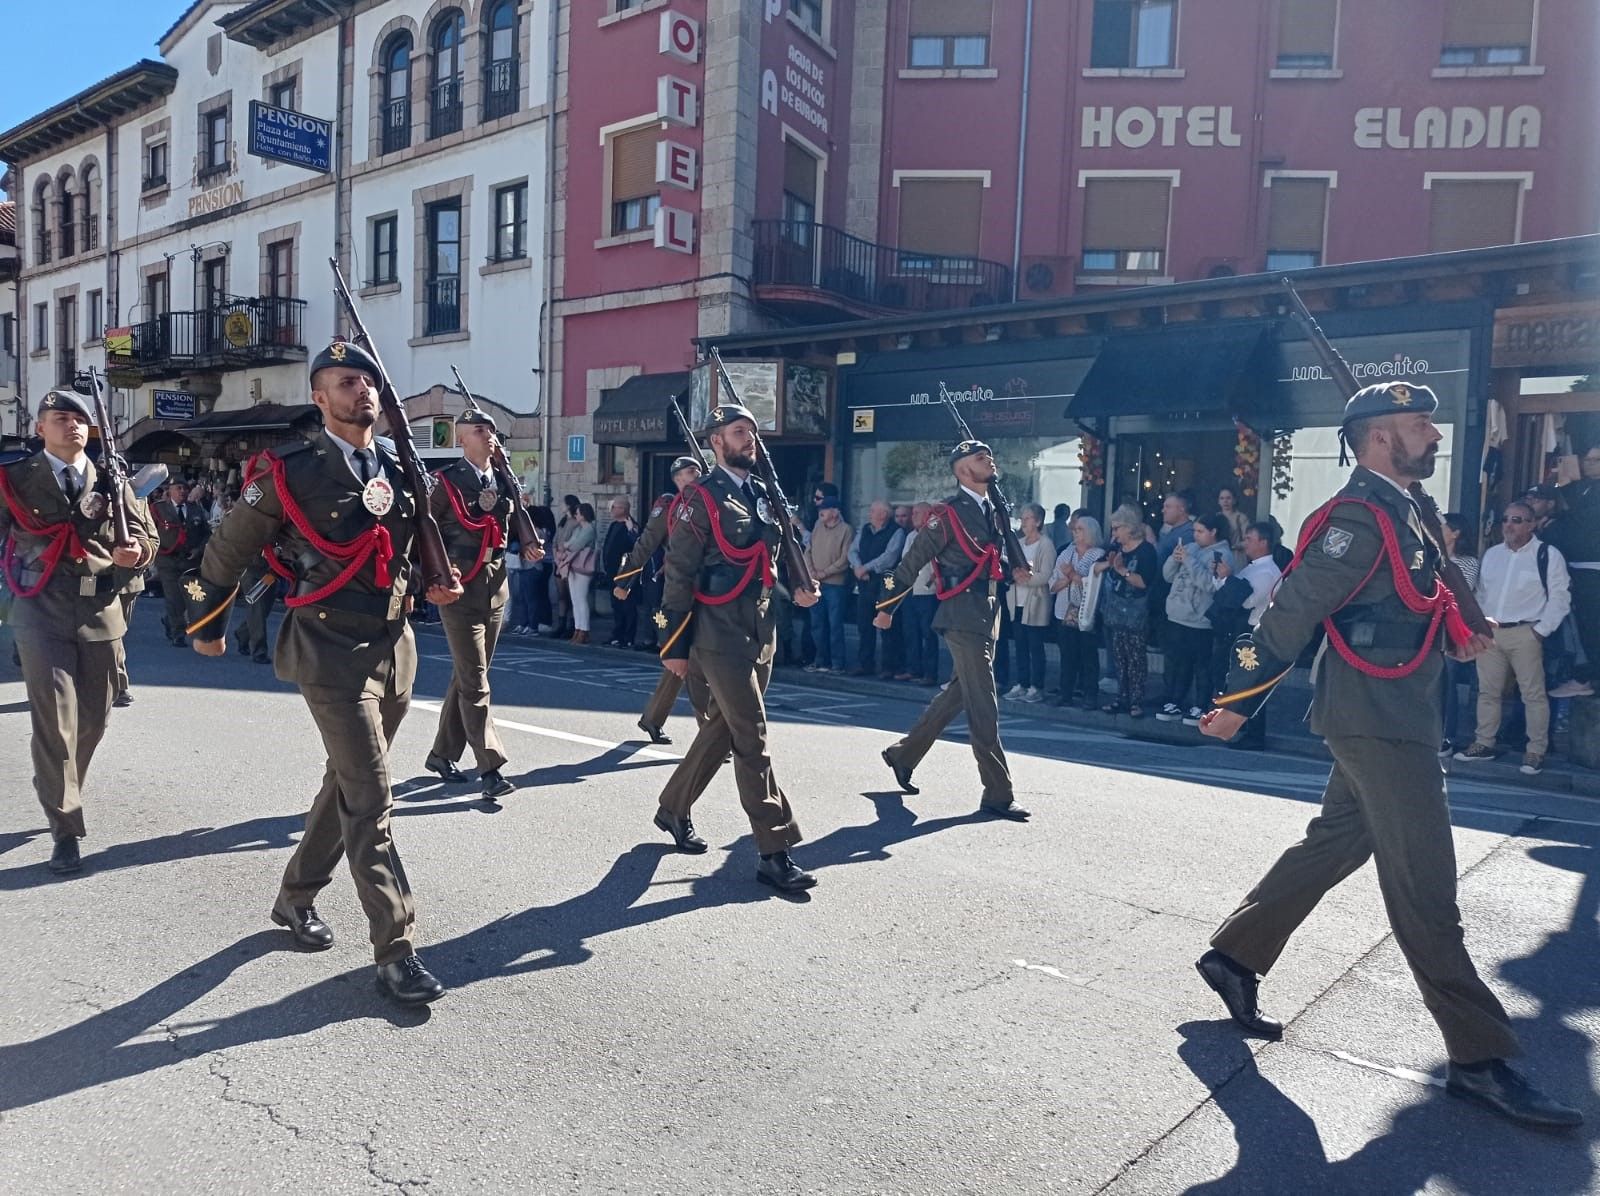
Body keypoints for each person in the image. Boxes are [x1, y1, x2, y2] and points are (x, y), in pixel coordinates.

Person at [1197, 380, 1581, 1130]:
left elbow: (1398, 609)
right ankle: (1479, 1057)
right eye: (1418, 425)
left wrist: (1457, 631)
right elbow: (1288, 613)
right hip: (1375, 720)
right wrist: (1235, 701)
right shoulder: (1358, 518)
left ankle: (1234, 956)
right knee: (1428, 888)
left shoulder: (1404, 512)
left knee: (1336, 842)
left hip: (1395, 711)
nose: (1434, 437)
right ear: (1378, 437)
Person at [186, 340, 463, 1006]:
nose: (361, 391)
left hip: (395, 644)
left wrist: (439, 573)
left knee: (344, 785)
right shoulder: (290, 469)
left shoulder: (401, 463)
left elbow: (426, 536)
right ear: (320, 397)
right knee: (370, 795)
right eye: (345, 382)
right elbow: (225, 547)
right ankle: (396, 948)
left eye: (368, 381)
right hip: (329, 645)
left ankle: (294, 897)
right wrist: (204, 622)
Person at [650, 402, 820, 892]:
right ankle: (775, 848)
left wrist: (800, 583)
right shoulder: (699, 498)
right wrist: (673, 643)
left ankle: (673, 807)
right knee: (752, 735)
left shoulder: (765, 492)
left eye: (752, 431)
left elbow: (780, 546)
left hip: (761, 625)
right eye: (739, 431)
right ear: (715, 442)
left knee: (723, 730)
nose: (750, 438)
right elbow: (678, 573)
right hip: (716, 630)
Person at [0, 390, 158, 874]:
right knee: (55, 721)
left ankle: (59, 783)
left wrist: (138, 555)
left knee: (92, 720)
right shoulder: (14, 480)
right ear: (39, 428)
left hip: (101, 609)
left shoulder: (112, 480)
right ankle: (65, 827)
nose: (72, 426)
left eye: (80, 420)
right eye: (60, 418)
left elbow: (146, 534)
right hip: (40, 609)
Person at [873, 440, 1032, 822]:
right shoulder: (946, 514)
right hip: (961, 614)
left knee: (961, 693)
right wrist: (885, 608)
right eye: (980, 458)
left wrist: (1016, 566)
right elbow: (910, 563)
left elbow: (995, 555)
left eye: (990, 455)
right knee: (984, 703)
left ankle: (903, 754)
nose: (990, 460)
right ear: (962, 470)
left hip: (988, 610)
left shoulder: (993, 508)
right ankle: (997, 792)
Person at [424, 409, 541, 800]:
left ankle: (442, 754)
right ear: (461, 440)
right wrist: (437, 575)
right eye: (479, 430)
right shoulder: (446, 483)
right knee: (476, 681)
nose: (488, 435)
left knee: (467, 675)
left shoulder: (503, 478)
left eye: (491, 429)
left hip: (495, 587)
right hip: (460, 588)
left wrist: (527, 541)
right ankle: (490, 766)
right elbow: (424, 530)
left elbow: (512, 522)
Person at [1454, 501, 1571, 775]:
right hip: (1491, 632)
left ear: (1532, 524)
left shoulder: (1547, 554)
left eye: (1517, 519)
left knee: (1533, 694)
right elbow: (1481, 594)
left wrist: (1540, 631)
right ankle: (1484, 743)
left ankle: (1535, 751)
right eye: (1505, 519)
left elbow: (1560, 597)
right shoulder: (1493, 554)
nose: (1509, 524)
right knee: (1487, 692)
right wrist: (1478, 626)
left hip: (1526, 632)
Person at [612, 455, 710, 744]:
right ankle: (710, 732)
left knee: (683, 659)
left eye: (694, 473)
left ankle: (654, 719)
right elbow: (645, 543)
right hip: (673, 595)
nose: (691, 478)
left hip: (710, 591)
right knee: (687, 657)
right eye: (685, 475)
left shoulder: (710, 501)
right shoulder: (670, 506)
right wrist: (624, 580)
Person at [1158, 513, 1232, 725]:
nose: (1196, 536)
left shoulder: (1222, 554)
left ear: (1213, 532)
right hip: (1176, 615)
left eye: (1200, 531)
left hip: (1199, 620)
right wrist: (1175, 558)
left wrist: (1189, 561)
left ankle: (1200, 704)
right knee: (1177, 663)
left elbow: (1210, 584)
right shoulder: (1190, 548)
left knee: (1201, 665)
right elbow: (1167, 575)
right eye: (1195, 531)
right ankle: (1175, 701)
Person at [1095, 505, 1158, 718]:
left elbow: (1143, 582)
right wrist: (1109, 563)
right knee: (1119, 657)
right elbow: (1096, 567)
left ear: (1129, 527)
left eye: (1117, 528)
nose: (1114, 533)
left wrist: (1122, 570)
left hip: (1136, 611)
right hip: (1115, 609)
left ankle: (1136, 700)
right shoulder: (1116, 548)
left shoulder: (1146, 550)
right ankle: (1122, 697)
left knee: (1136, 658)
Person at [1547, 444, 1600, 697]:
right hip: (1579, 567)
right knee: (1582, 626)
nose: (1589, 464)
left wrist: (1566, 486)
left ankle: (1589, 679)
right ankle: (1584, 677)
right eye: (1587, 460)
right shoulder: (1588, 487)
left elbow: (1585, 518)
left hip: (1594, 568)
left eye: (1595, 460)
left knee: (1592, 626)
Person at [1001, 503, 1056, 703]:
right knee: (1020, 645)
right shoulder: (1019, 543)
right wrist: (1013, 576)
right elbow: (1010, 568)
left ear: (1038, 521)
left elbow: (1046, 574)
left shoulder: (1045, 545)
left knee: (1035, 646)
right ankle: (1022, 683)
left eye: (1027, 518)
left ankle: (1036, 686)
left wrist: (1026, 579)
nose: (1023, 522)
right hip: (1017, 601)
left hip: (1035, 603)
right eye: (1022, 518)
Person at [1051, 513, 1106, 708]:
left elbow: (1091, 582)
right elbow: (1054, 580)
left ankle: (1090, 693)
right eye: (1075, 529)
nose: (1075, 532)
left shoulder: (1098, 554)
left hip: (1087, 610)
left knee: (1088, 654)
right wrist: (1068, 579)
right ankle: (1065, 692)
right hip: (1063, 609)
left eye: (1080, 529)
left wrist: (1072, 575)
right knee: (1067, 654)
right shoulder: (1067, 552)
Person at [1438, 513, 1481, 754]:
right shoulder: (1429, 556)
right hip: (1427, 623)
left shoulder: (1467, 562)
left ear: (1456, 533)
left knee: (1447, 681)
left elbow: (1458, 592)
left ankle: (1446, 735)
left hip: (1451, 626)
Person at [151, 478, 212, 646]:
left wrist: (198, 550)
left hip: (189, 560)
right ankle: (178, 633)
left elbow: (206, 533)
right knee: (173, 597)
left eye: (185, 488)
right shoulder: (158, 509)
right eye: (178, 488)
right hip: (168, 559)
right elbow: (149, 531)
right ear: (169, 491)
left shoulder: (195, 509)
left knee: (188, 598)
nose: (182, 491)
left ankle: (170, 620)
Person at [850, 499, 905, 678]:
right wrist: (858, 568)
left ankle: (889, 667)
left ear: (883, 515)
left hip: (885, 584)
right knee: (864, 625)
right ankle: (865, 664)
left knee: (887, 625)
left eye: (873, 511)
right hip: (864, 583)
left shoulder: (896, 532)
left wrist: (866, 568)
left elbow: (889, 557)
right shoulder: (865, 529)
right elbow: (852, 551)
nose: (869, 514)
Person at [803, 496, 851, 673]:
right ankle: (820, 660)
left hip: (835, 585)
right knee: (817, 624)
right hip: (815, 583)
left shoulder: (846, 530)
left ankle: (837, 663)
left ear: (835, 511)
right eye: (820, 509)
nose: (820, 511)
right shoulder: (817, 527)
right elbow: (808, 551)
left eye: (825, 508)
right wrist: (811, 571)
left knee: (835, 624)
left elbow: (845, 559)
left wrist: (825, 572)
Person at [895, 501, 941, 685]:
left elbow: (938, 561)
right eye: (912, 513)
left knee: (928, 633)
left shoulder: (934, 534)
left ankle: (930, 674)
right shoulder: (911, 536)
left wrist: (932, 580)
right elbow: (905, 559)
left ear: (927, 515)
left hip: (926, 592)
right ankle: (913, 669)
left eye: (916, 513)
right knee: (910, 631)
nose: (912, 516)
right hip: (909, 590)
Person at [556, 502, 597, 643]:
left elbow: (576, 544)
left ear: (584, 515)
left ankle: (584, 630)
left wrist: (566, 546)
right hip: (573, 564)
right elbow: (572, 541)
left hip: (583, 565)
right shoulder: (579, 529)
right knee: (575, 599)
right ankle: (577, 628)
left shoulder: (589, 529)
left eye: (578, 513)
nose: (576, 515)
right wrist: (567, 545)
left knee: (581, 598)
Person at [601, 496, 639, 646]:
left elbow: (637, 544)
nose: (611, 510)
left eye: (614, 507)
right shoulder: (613, 525)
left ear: (623, 509)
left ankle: (628, 637)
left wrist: (632, 530)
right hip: (612, 573)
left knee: (628, 605)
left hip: (625, 573)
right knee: (616, 605)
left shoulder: (631, 525)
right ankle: (617, 634)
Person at [1217, 485, 1249, 554]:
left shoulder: (1241, 518)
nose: (1225, 501)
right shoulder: (1215, 517)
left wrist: (1234, 546)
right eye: (1222, 498)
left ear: (1234, 500)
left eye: (1228, 498)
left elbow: (1248, 540)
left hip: (1236, 556)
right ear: (1218, 501)